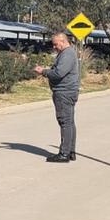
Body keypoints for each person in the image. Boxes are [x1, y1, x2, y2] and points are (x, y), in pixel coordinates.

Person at [34, 32, 79, 163]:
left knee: (65, 122)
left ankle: (64, 154)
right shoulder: (67, 53)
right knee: (69, 122)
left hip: (64, 92)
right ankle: (70, 151)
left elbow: (59, 73)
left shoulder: (67, 54)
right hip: (67, 91)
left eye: (55, 44)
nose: (54, 47)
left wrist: (43, 71)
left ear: (63, 41)